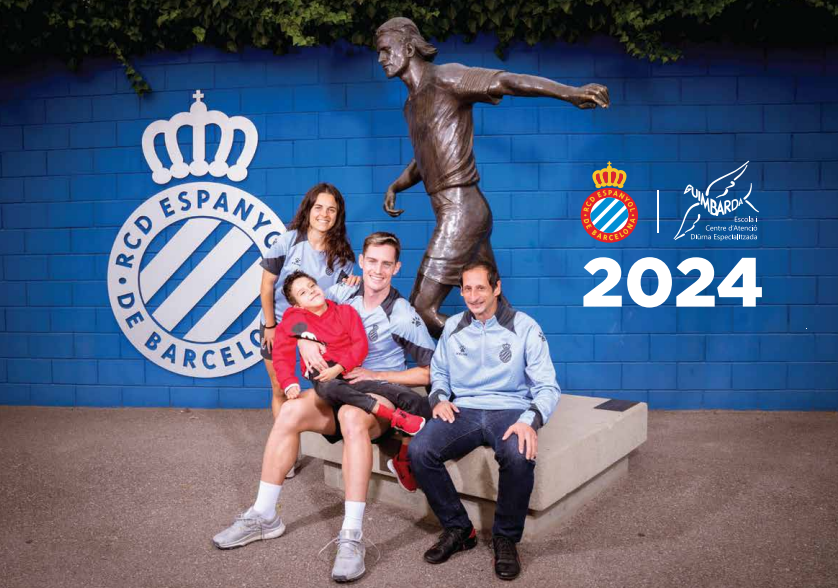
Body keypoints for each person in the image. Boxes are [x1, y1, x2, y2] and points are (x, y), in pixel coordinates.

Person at [213, 232, 435, 584]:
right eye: (372, 261)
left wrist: (376, 374)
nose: (378, 270)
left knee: (350, 416)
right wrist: (303, 339)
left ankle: (351, 536)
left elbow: (429, 371)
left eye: (386, 264)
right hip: (336, 384)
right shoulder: (342, 293)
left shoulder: (403, 315)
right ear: (361, 262)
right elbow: (300, 309)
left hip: (375, 395)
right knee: (289, 411)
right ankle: (265, 515)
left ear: (396, 268)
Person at [375, 17, 610, 337]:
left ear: (408, 48)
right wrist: (397, 185)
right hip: (463, 212)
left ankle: (480, 348)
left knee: (421, 310)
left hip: (461, 211)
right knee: (496, 309)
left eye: (386, 49)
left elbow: (508, 81)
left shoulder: (446, 77)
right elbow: (426, 156)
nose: (381, 58)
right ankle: (519, 354)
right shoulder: (411, 104)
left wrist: (569, 93)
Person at [408, 260, 561, 581]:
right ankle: (458, 529)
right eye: (467, 289)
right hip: (463, 409)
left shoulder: (524, 326)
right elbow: (440, 372)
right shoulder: (453, 326)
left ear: (496, 288)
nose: (473, 296)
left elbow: (547, 386)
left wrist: (530, 420)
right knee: (419, 450)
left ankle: (505, 538)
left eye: (480, 288)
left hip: (509, 409)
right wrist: (439, 399)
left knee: (518, 454)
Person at [274, 270, 427, 436]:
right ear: (298, 306)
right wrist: (289, 382)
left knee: (407, 397)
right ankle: (392, 416)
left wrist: (339, 368)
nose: (311, 291)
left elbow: (360, 345)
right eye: (303, 293)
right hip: (323, 375)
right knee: (329, 387)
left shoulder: (345, 311)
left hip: (348, 371)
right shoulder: (293, 321)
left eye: (312, 286)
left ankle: (410, 439)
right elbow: (281, 355)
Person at [259, 182, 355, 416]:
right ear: (308, 210)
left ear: (338, 215)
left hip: (317, 330)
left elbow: (336, 303)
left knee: (326, 387)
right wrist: (270, 326)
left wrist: (353, 285)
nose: (324, 214)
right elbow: (266, 285)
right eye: (318, 207)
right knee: (280, 388)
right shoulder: (288, 241)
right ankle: (284, 436)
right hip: (277, 322)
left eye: (331, 209)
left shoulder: (343, 257)